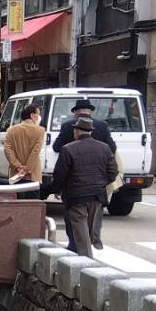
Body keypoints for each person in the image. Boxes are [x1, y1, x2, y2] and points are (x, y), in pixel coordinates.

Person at [51, 98, 118, 247]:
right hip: (97, 186)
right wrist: (102, 180)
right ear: (91, 111)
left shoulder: (68, 126)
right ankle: (94, 238)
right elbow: (112, 149)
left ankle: (76, 246)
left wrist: (57, 188)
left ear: (75, 112)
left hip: (74, 186)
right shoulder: (102, 126)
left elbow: (56, 147)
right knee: (94, 215)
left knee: (73, 218)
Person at [3, 104, 47, 194]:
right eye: (38, 114)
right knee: (31, 205)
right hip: (33, 175)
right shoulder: (40, 130)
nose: (39, 117)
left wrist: (18, 166)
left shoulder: (11, 130)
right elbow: (35, 151)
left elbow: (7, 150)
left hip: (15, 175)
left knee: (17, 204)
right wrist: (26, 169)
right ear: (32, 115)